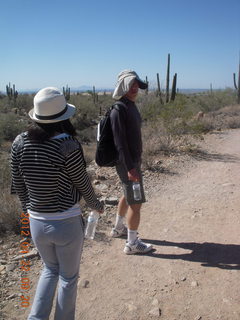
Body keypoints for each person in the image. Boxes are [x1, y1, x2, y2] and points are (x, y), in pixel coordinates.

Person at [11, 87, 104, 320]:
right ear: (64, 116)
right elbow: (82, 182)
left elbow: (18, 184)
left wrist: (28, 210)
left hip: (36, 223)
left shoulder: (19, 143)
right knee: (68, 278)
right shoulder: (67, 144)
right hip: (66, 222)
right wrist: (96, 204)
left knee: (49, 270)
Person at [110, 70, 153, 255]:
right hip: (128, 163)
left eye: (136, 84)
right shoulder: (120, 109)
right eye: (131, 84)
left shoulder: (130, 106)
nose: (135, 87)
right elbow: (120, 143)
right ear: (123, 87)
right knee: (136, 204)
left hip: (130, 162)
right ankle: (132, 243)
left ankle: (119, 229)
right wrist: (130, 168)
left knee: (126, 195)